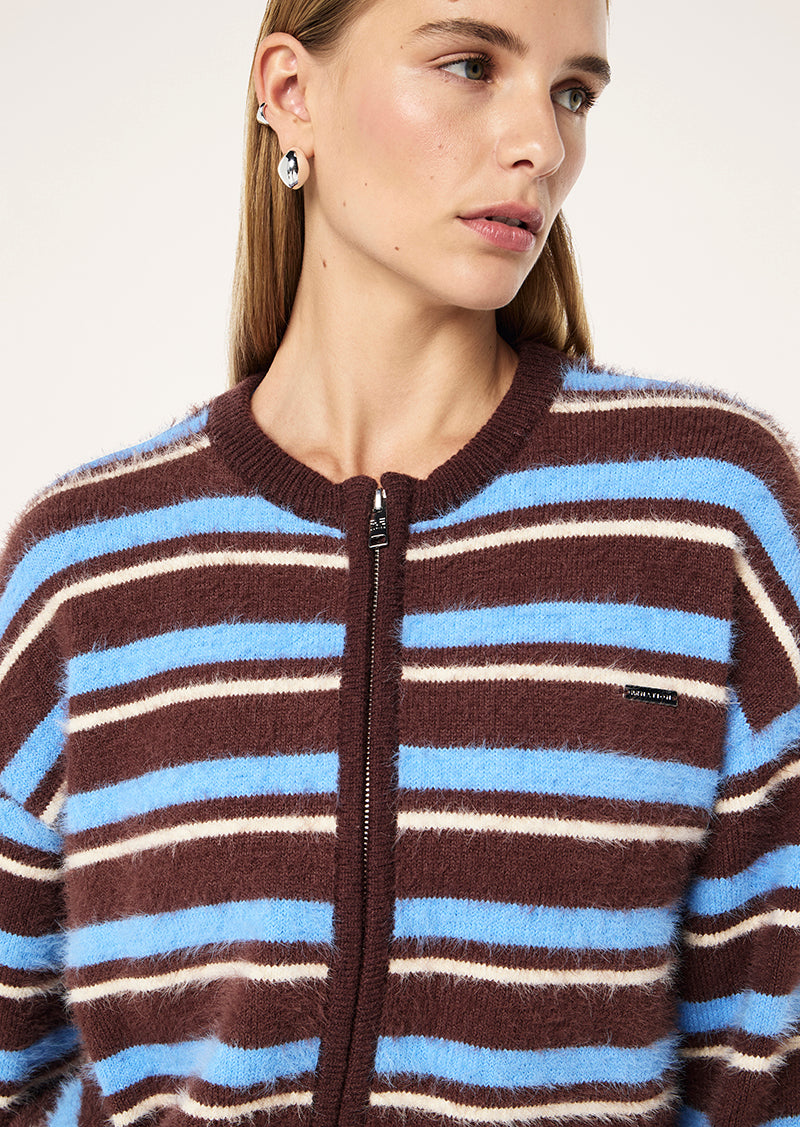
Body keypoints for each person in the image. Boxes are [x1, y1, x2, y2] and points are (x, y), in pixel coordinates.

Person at [0, 0, 798, 1124]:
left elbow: (769, 1060)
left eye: (572, 92)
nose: (543, 143)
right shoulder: (86, 568)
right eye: (470, 65)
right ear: (291, 92)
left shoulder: (705, 512)